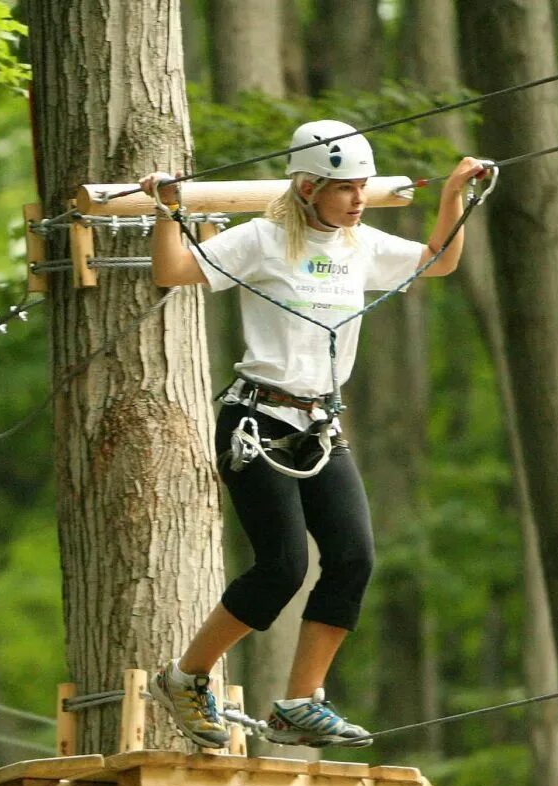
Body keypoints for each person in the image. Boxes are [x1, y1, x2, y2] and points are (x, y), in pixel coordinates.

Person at [138, 121, 490, 748]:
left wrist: (453, 195)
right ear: (306, 187)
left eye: (360, 187)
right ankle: (185, 678)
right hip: (258, 418)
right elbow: (172, 269)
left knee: (353, 558)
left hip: (320, 423)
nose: (358, 199)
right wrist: (169, 211)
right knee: (282, 567)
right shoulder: (262, 241)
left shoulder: (360, 244)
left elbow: (438, 261)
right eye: (344, 189)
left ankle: (300, 702)